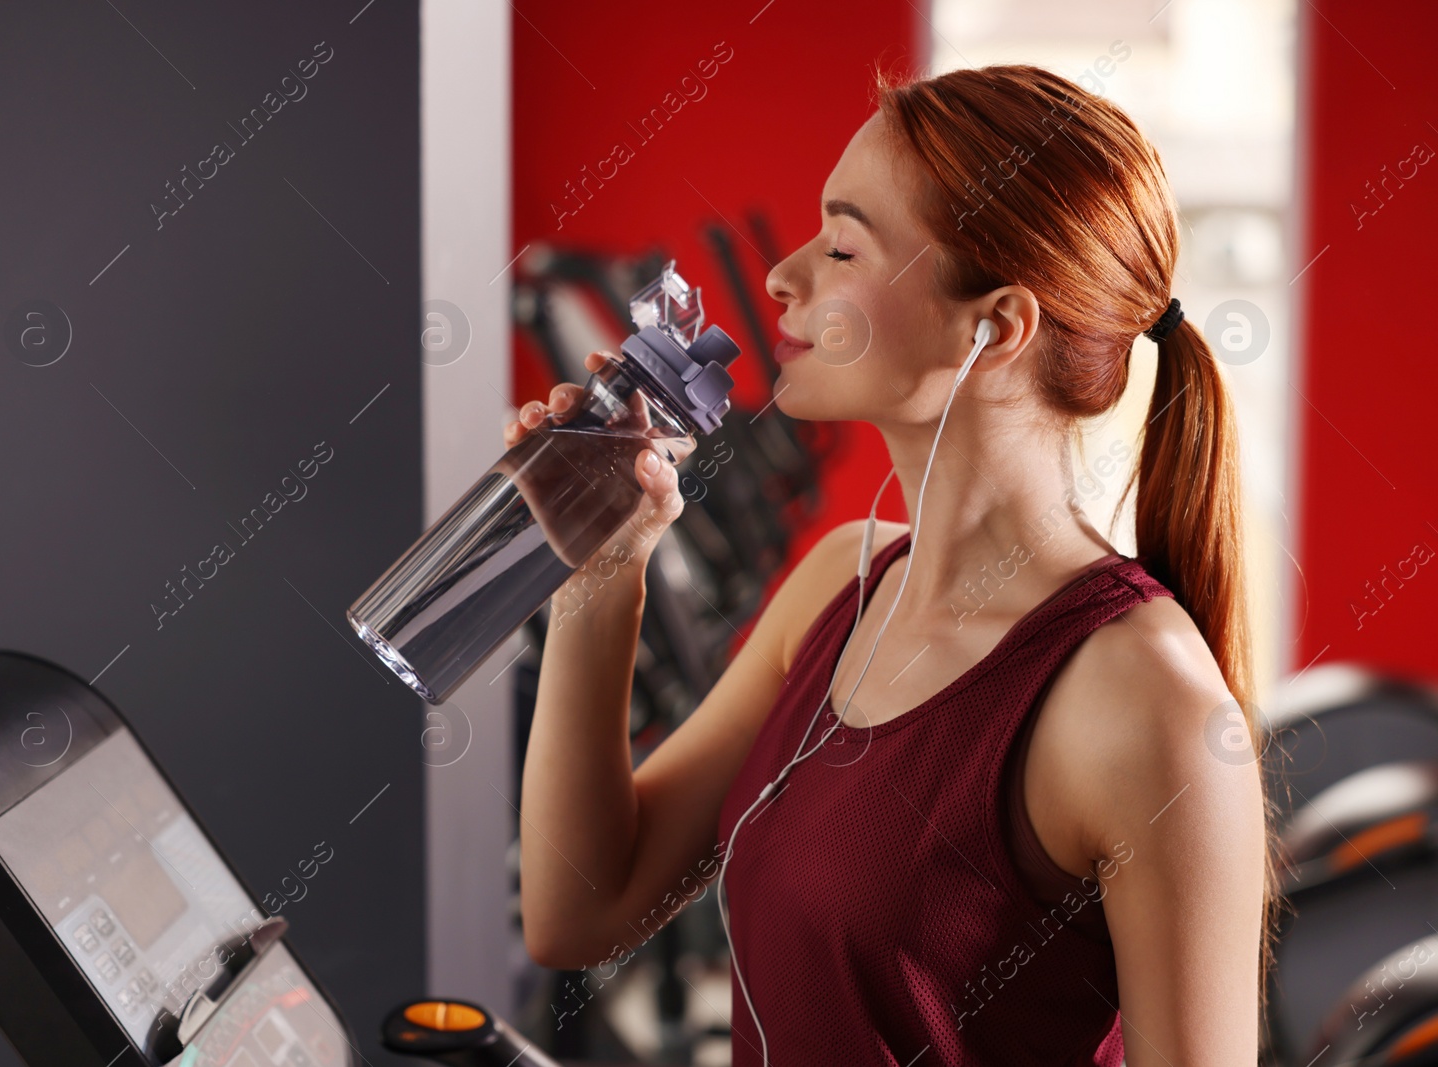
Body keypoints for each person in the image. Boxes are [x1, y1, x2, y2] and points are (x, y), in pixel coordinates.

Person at [507, 63, 1271, 1066]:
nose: (785, 275)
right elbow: (581, 907)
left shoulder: (1145, 702)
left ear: (992, 327)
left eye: (841, 244)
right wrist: (602, 575)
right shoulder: (840, 585)